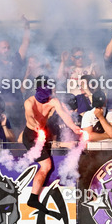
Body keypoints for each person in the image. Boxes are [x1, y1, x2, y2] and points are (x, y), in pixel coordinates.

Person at [21, 76, 82, 207]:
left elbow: (64, 115)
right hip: (31, 135)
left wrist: (73, 127)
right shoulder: (29, 102)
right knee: (46, 165)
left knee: (51, 164)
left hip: (43, 134)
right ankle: (33, 198)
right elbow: (30, 115)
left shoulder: (53, 101)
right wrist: (35, 124)